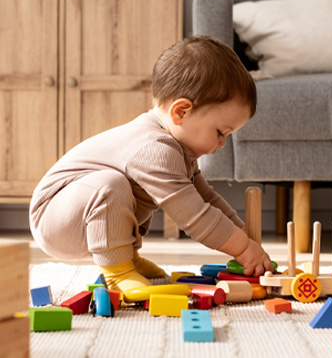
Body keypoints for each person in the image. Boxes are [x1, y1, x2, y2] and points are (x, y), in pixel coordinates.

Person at [29, 35, 273, 291]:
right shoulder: (154, 150)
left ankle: (126, 259)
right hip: (55, 218)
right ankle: (118, 272)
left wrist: (246, 236)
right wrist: (244, 249)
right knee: (110, 185)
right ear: (181, 112)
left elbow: (207, 200)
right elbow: (196, 216)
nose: (222, 144)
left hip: (76, 214)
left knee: (119, 187)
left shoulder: (178, 150)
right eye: (221, 133)